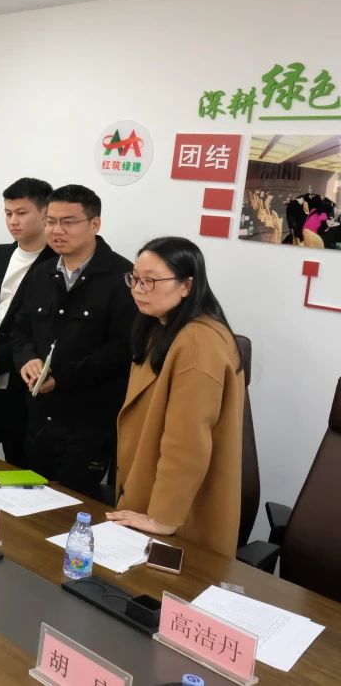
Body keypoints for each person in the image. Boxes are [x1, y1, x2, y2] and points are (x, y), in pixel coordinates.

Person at [107, 237, 245, 557]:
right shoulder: (161, 327)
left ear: (186, 285)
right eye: (135, 279)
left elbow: (187, 443)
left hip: (179, 517)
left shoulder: (198, 341)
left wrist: (163, 518)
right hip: (148, 495)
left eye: (151, 281)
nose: (139, 289)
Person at [10, 184, 135, 499]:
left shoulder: (122, 278)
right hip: (38, 418)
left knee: (72, 508)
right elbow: (20, 329)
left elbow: (121, 351)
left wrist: (62, 378)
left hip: (89, 423)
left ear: (95, 224)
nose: (57, 230)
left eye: (68, 222)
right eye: (51, 221)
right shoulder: (41, 273)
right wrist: (26, 359)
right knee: (28, 502)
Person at [0, 178, 55, 464]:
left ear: (44, 213)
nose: (13, 221)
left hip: (20, 381)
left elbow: (36, 331)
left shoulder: (55, 265)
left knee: (18, 463)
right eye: (8, 213)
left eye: (21, 213)